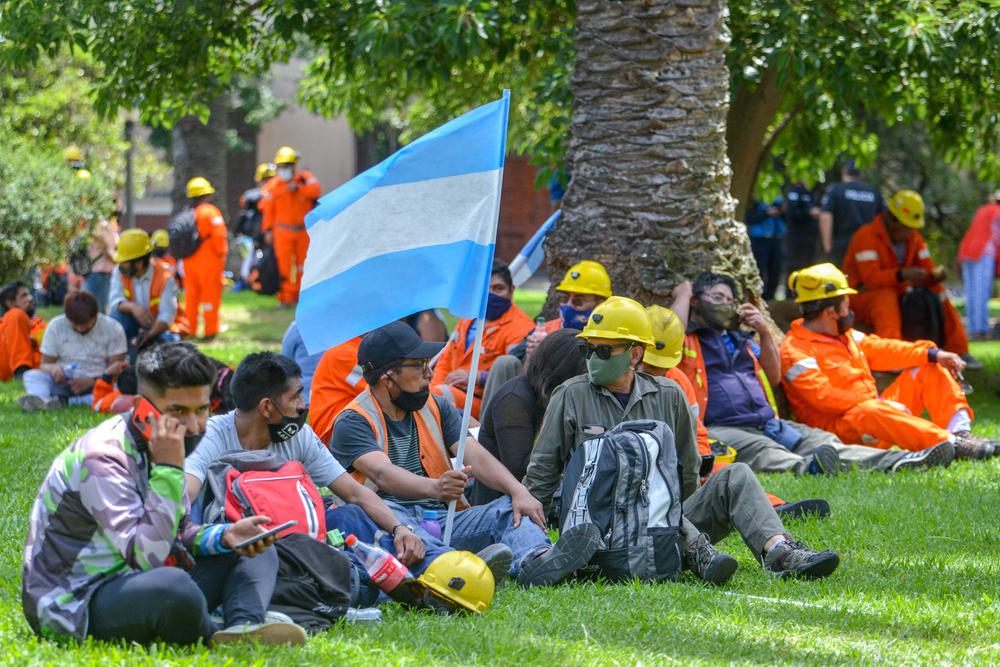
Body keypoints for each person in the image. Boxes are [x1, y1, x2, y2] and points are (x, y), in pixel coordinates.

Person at [523, 296, 840, 584]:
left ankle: (780, 551)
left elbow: (687, 470)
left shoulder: (669, 395)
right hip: (603, 530)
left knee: (736, 475)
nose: (592, 358)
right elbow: (541, 474)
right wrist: (538, 541)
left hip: (663, 526)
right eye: (587, 349)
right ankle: (694, 549)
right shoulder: (571, 395)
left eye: (603, 350)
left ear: (635, 354)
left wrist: (680, 516)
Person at [22, 342, 306, 646]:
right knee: (174, 587)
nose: (194, 425)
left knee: (255, 547)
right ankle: (209, 631)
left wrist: (224, 536)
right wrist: (170, 469)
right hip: (77, 602)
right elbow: (148, 558)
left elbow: (177, 532)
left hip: (137, 581)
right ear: (142, 408)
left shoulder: (161, 441)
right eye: (178, 411)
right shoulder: (103, 458)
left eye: (201, 409)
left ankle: (241, 628)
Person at [331, 321, 598, 588]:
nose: (430, 373)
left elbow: (476, 456)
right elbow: (383, 474)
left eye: (428, 363)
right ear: (387, 379)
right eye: (419, 366)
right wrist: (435, 488)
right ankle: (463, 567)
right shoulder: (353, 421)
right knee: (391, 515)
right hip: (391, 523)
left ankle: (537, 562)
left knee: (509, 508)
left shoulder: (436, 406)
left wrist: (518, 491)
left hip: (442, 520)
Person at [183, 352, 438, 572]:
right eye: (295, 397)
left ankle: (428, 566)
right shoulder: (213, 435)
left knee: (351, 515)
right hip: (235, 547)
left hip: (297, 544)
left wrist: (400, 528)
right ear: (267, 407)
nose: (302, 406)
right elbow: (187, 489)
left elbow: (354, 493)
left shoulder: (299, 436)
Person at [674, 272, 902, 475]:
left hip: (768, 423)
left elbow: (773, 376)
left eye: (729, 300)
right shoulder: (686, 340)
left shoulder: (740, 341)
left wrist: (763, 331)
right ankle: (807, 467)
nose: (725, 304)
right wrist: (683, 295)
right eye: (717, 298)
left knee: (822, 441)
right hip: (722, 428)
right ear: (696, 301)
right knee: (764, 450)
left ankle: (898, 460)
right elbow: (668, 333)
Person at [781, 263, 997, 461]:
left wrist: (933, 354)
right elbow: (823, 397)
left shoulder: (844, 335)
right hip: (841, 433)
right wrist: (878, 403)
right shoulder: (795, 350)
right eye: (846, 305)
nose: (850, 312)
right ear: (831, 312)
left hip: (876, 416)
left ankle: (962, 434)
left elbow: (884, 349)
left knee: (927, 366)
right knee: (869, 411)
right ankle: (952, 444)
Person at [843, 189, 979, 367]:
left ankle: (959, 349)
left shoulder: (913, 238)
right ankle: (891, 357)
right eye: (907, 226)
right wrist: (902, 274)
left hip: (896, 289)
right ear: (892, 220)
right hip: (860, 296)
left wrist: (934, 276)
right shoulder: (866, 237)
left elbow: (926, 265)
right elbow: (871, 280)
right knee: (885, 298)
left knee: (939, 292)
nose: (910, 232)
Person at [472, 330, 587, 506]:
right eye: (582, 374)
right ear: (563, 372)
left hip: (541, 498)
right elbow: (520, 471)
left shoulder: (553, 397)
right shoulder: (513, 399)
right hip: (502, 508)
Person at [431, 260, 534, 419]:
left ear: (511, 291)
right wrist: (433, 388)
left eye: (498, 289)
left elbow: (513, 374)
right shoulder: (469, 317)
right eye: (485, 289)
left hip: (485, 404)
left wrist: (478, 377)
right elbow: (445, 359)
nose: (490, 295)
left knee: (437, 397)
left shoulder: (521, 327)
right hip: (451, 391)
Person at [18, 291, 127, 412]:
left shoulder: (113, 328)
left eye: (85, 324)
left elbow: (117, 370)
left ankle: (60, 401)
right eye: (75, 324)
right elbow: (44, 365)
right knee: (32, 375)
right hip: (65, 382)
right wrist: (53, 369)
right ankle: (40, 400)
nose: (80, 328)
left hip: (99, 384)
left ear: (96, 315)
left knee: (120, 389)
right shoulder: (56, 326)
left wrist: (92, 381)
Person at [259, 146, 321, 306]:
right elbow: (268, 210)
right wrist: (267, 230)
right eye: (281, 167)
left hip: (303, 231)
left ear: (294, 166)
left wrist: (299, 188)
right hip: (282, 231)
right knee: (284, 267)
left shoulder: (305, 178)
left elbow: (316, 191)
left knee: (303, 266)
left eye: (287, 166)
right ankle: (286, 298)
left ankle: (302, 298)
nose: (284, 170)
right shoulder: (273, 186)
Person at [109, 228, 183, 359]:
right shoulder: (119, 272)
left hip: (160, 328)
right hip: (132, 323)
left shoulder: (166, 277)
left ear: (138, 263)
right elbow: (115, 301)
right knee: (115, 318)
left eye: (125, 261)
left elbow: (167, 316)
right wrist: (134, 308)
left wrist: (149, 335)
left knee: (171, 348)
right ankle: (118, 360)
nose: (121, 265)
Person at [182, 177, 228, 340]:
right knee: (210, 296)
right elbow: (219, 236)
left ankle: (189, 330)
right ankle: (210, 331)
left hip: (189, 261)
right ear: (206, 194)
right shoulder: (210, 212)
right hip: (209, 261)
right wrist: (222, 254)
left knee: (191, 296)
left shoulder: (188, 212)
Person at [819, 159, 885, 265]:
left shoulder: (836, 190)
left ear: (844, 173)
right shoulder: (874, 192)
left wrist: (827, 246)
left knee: (842, 278)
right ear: (861, 175)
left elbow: (825, 216)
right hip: (868, 245)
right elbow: (884, 219)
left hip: (842, 245)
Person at [309, 336, 367, 445]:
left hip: (345, 427)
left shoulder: (351, 347)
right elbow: (382, 391)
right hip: (333, 434)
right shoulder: (346, 353)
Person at [957, 191, 1000, 340]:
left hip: (966, 251)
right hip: (983, 252)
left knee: (971, 293)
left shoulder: (982, 210)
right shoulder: (997, 212)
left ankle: (973, 329)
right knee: (981, 292)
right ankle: (980, 330)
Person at [0, 281, 47, 382]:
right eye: (24, 296)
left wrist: (32, 341)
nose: (30, 298)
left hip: (40, 372)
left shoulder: (42, 325)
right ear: (11, 303)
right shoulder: (5, 323)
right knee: (15, 314)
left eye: (29, 294)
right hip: (9, 371)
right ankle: (21, 371)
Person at [746, 197, 785, 301]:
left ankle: (770, 297)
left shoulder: (778, 199)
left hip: (776, 239)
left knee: (775, 269)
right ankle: (758, 296)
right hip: (759, 240)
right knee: (759, 269)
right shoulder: (755, 201)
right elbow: (749, 218)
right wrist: (766, 213)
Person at [280, 320, 324, 407]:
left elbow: (285, 362)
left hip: (302, 398)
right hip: (329, 398)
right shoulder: (341, 330)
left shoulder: (297, 327)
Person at [81, 216, 120, 313]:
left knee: (87, 309)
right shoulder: (103, 226)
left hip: (92, 274)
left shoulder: (89, 226)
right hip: (101, 276)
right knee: (99, 312)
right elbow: (110, 251)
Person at [783, 181, 819, 274]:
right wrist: (808, 213)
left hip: (810, 237)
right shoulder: (796, 190)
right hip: (796, 237)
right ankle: (791, 288)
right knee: (794, 266)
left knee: (808, 265)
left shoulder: (813, 190)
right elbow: (791, 213)